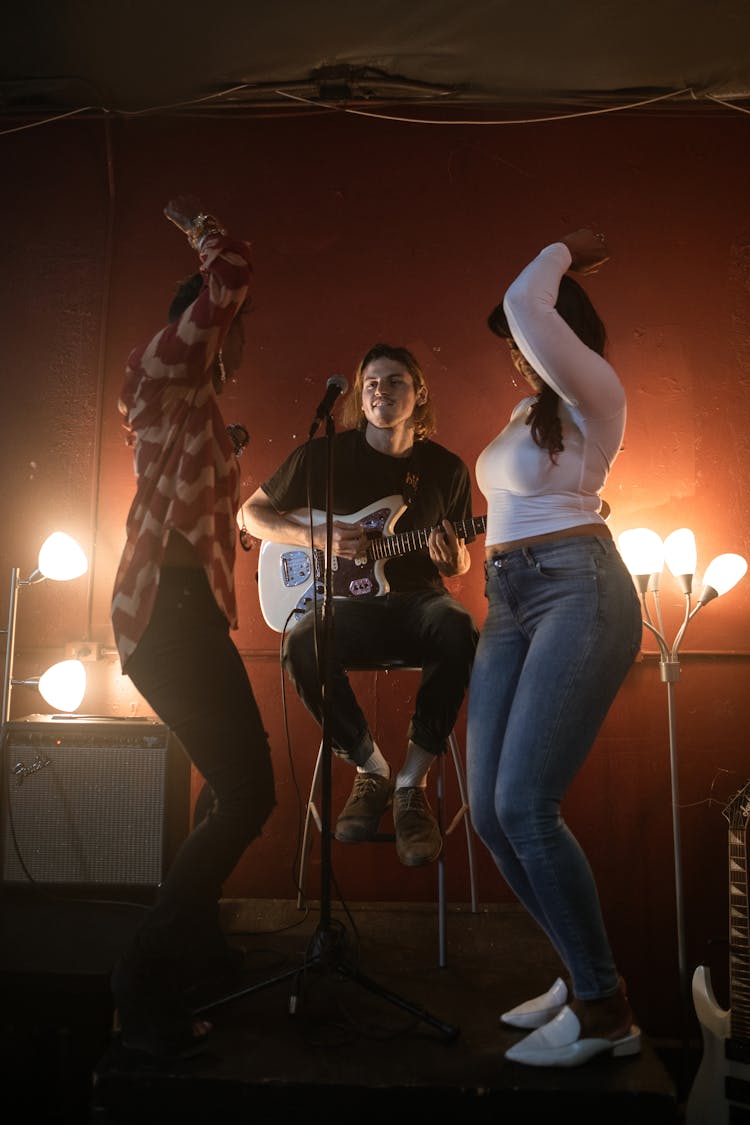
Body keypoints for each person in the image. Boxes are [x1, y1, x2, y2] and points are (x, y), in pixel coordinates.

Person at [466, 229, 643, 1068]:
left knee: (528, 805)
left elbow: (520, 299)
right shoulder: (526, 415)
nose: (515, 358)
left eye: (524, 345)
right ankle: (578, 974)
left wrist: (563, 246)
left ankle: (606, 1011)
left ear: (559, 329)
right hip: (509, 600)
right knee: (491, 815)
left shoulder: (595, 393)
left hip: (580, 588)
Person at [110, 196, 276, 1058]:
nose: (236, 335)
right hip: (165, 618)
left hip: (184, 617)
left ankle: (200, 951)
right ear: (197, 325)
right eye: (223, 325)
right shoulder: (161, 374)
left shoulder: (194, 411)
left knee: (227, 782)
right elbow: (229, 278)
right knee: (252, 791)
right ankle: (144, 971)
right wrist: (203, 227)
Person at [240, 343, 479, 867]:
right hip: (345, 605)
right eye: (371, 382)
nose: (380, 390)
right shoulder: (324, 456)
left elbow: (456, 564)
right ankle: (372, 770)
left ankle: (412, 784)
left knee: (458, 626)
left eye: (395, 381)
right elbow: (250, 516)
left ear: (419, 396)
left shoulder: (446, 470)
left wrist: (454, 560)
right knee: (303, 641)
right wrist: (317, 536)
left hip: (418, 603)